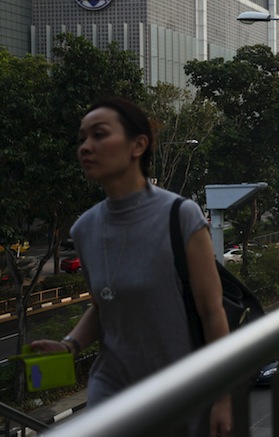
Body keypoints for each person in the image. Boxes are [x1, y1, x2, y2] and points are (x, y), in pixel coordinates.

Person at [31, 97, 231, 436]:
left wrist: (223, 397)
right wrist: (69, 345)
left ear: (138, 145)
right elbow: (102, 306)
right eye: (82, 139)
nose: (86, 147)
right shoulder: (84, 229)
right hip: (111, 392)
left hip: (180, 390)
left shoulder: (180, 216)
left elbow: (212, 312)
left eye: (99, 135)